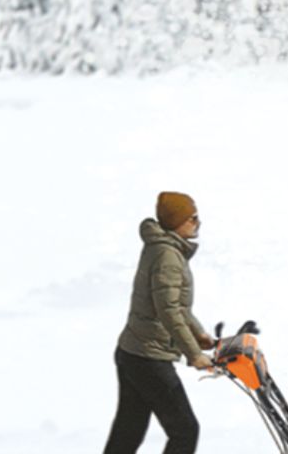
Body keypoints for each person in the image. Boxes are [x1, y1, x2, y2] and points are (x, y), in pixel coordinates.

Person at [104, 192, 215, 454]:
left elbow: (175, 307)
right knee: (185, 430)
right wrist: (194, 355)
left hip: (132, 351)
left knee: (128, 431)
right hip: (148, 357)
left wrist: (199, 335)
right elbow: (169, 312)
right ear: (177, 221)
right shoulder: (168, 257)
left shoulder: (164, 248)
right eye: (192, 218)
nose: (197, 223)